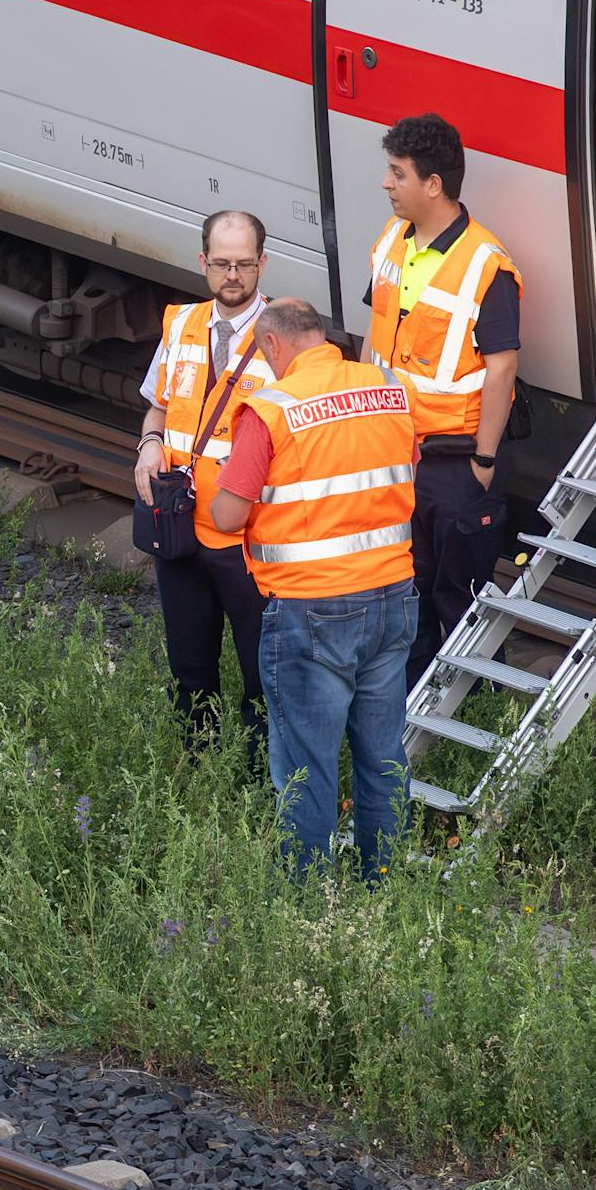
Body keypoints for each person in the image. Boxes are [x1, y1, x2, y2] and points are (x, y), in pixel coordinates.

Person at [210, 299, 418, 876]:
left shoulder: (271, 409)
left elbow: (227, 517)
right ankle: (384, 885)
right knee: (382, 757)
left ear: (273, 346)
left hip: (313, 609)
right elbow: (402, 467)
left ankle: (306, 904)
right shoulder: (387, 386)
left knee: (307, 762)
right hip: (393, 597)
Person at [363, 113, 520, 687]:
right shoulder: (390, 241)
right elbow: (374, 338)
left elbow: (502, 371)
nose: (386, 183)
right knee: (409, 594)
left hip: (454, 466)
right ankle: (413, 713)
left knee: (460, 599)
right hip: (395, 456)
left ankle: (476, 716)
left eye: (396, 173)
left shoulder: (485, 265)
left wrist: (482, 463)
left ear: (433, 184)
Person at [133, 210, 273, 755]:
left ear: (263, 264)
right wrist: (148, 446)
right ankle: (199, 774)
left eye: (244, 264)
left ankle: (263, 782)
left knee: (262, 675)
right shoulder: (182, 326)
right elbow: (158, 409)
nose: (232, 275)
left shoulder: (282, 340)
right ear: (203, 262)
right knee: (189, 668)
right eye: (221, 263)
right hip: (181, 528)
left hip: (248, 540)